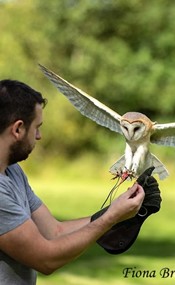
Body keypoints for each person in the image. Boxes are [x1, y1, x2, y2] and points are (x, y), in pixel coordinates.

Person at [0, 79, 145, 285]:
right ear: (18, 129)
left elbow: (54, 232)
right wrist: (110, 218)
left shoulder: (13, 171)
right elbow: (45, 259)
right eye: (37, 127)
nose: (39, 136)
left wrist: (117, 212)